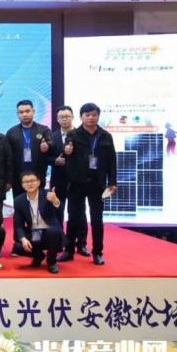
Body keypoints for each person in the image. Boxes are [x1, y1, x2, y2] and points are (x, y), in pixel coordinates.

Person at [60, 103, 117, 266]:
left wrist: (112, 182)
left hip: (97, 184)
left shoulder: (105, 136)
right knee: (73, 218)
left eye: (94, 115)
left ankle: (97, 252)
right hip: (77, 183)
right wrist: (66, 151)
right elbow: (66, 152)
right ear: (81, 117)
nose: (91, 118)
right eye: (87, 115)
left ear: (98, 116)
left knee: (97, 220)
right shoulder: (73, 134)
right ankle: (69, 250)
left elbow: (112, 161)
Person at [13, 171, 64, 274]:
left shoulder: (48, 194)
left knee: (54, 232)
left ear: (39, 182)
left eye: (32, 181)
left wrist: (55, 201)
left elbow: (60, 211)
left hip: (49, 232)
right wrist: (23, 239)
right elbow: (18, 224)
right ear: (22, 185)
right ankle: (38, 256)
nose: (29, 184)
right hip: (34, 232)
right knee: (17, 247)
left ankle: (51, 262)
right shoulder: (19, 200)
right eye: (26, 182)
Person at [6, 99, 53, 199]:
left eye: (27, 111)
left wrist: (47, 146)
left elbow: (52, 143)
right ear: (17, 114)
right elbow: (8, 158)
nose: (24, 114)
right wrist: (9, 179)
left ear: (33, 111)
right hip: (18, 178)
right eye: (21, 112)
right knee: (19, 203)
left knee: (39, 204)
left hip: (38, 176)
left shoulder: (44, 130)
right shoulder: (11, 132)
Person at [49, 105, 78, 236]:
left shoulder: (80, 135)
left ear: (73, 117)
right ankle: (59, 239)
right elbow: (45, 158)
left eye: (67, 116)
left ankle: (77, 242)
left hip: (76, 180)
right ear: (57, 119)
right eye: (61, 117)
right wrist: (55, 160)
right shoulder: (52, 136)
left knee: (76, 212)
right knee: (57, 210)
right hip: (58, 179)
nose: (64, 119)